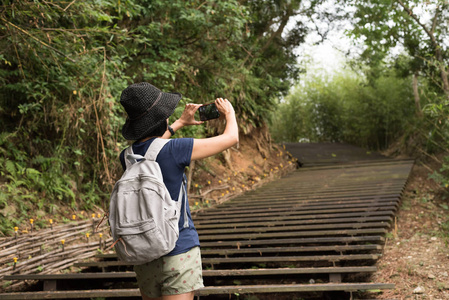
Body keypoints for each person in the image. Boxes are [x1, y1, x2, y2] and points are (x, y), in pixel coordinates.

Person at [118, 82, 239, 300]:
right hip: (178, 251)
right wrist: (229, 114)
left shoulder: (127, 157)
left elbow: (152, 151)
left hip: (144, 254)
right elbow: (231, 138)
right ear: (161, 118)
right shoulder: (176, 149)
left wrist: (179, 123)